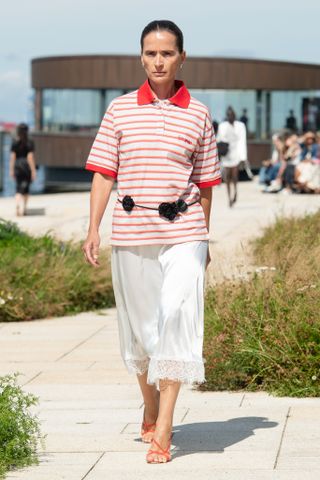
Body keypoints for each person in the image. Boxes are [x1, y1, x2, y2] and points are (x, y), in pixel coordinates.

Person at [82, 20, 221, 464]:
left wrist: (205, 235)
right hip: (131, 233)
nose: (158, 61)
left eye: (166, 53)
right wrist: (93, 228)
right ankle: (149, 401)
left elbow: (205, 183)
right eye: (150, 53)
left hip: (184, 233)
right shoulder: (120, 110)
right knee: (142, 336)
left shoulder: (198, 113)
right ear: (140, 57)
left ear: (182, 57)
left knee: (177, 319)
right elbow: (105, 172)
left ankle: (164, 426)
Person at [217, 107, 248, 207]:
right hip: (226, 154)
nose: (231, 117)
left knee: (234, 176)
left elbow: (242, 141)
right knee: (227, 177)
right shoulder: (223, 126)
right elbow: (219, 139)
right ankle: (229, 198)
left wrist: (243, 157)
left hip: (236, 154)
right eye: (229, 115)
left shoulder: (240, 125)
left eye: (232, 115)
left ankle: (235, 192)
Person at [9, 123, 37, 216]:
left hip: (17, 166)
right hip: (26, 167)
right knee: (26, 189)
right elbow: (30, 157)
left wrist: (11, 169)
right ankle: (24, 208)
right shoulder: (30, 142)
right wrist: (33, 170)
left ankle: (17, 204)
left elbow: (12, 157)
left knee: (18, 189)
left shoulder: (15, 142)